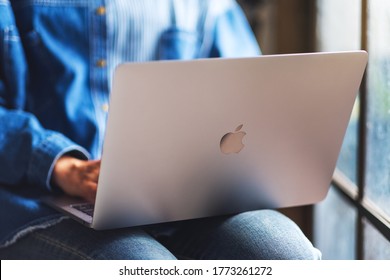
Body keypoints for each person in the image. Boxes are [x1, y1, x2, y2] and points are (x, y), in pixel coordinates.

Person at [0, 0, 321, 260]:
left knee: (286, 255)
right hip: (41, 201)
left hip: (187, 201)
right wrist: (60, 165)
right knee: (145, 266)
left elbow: (253, 90)